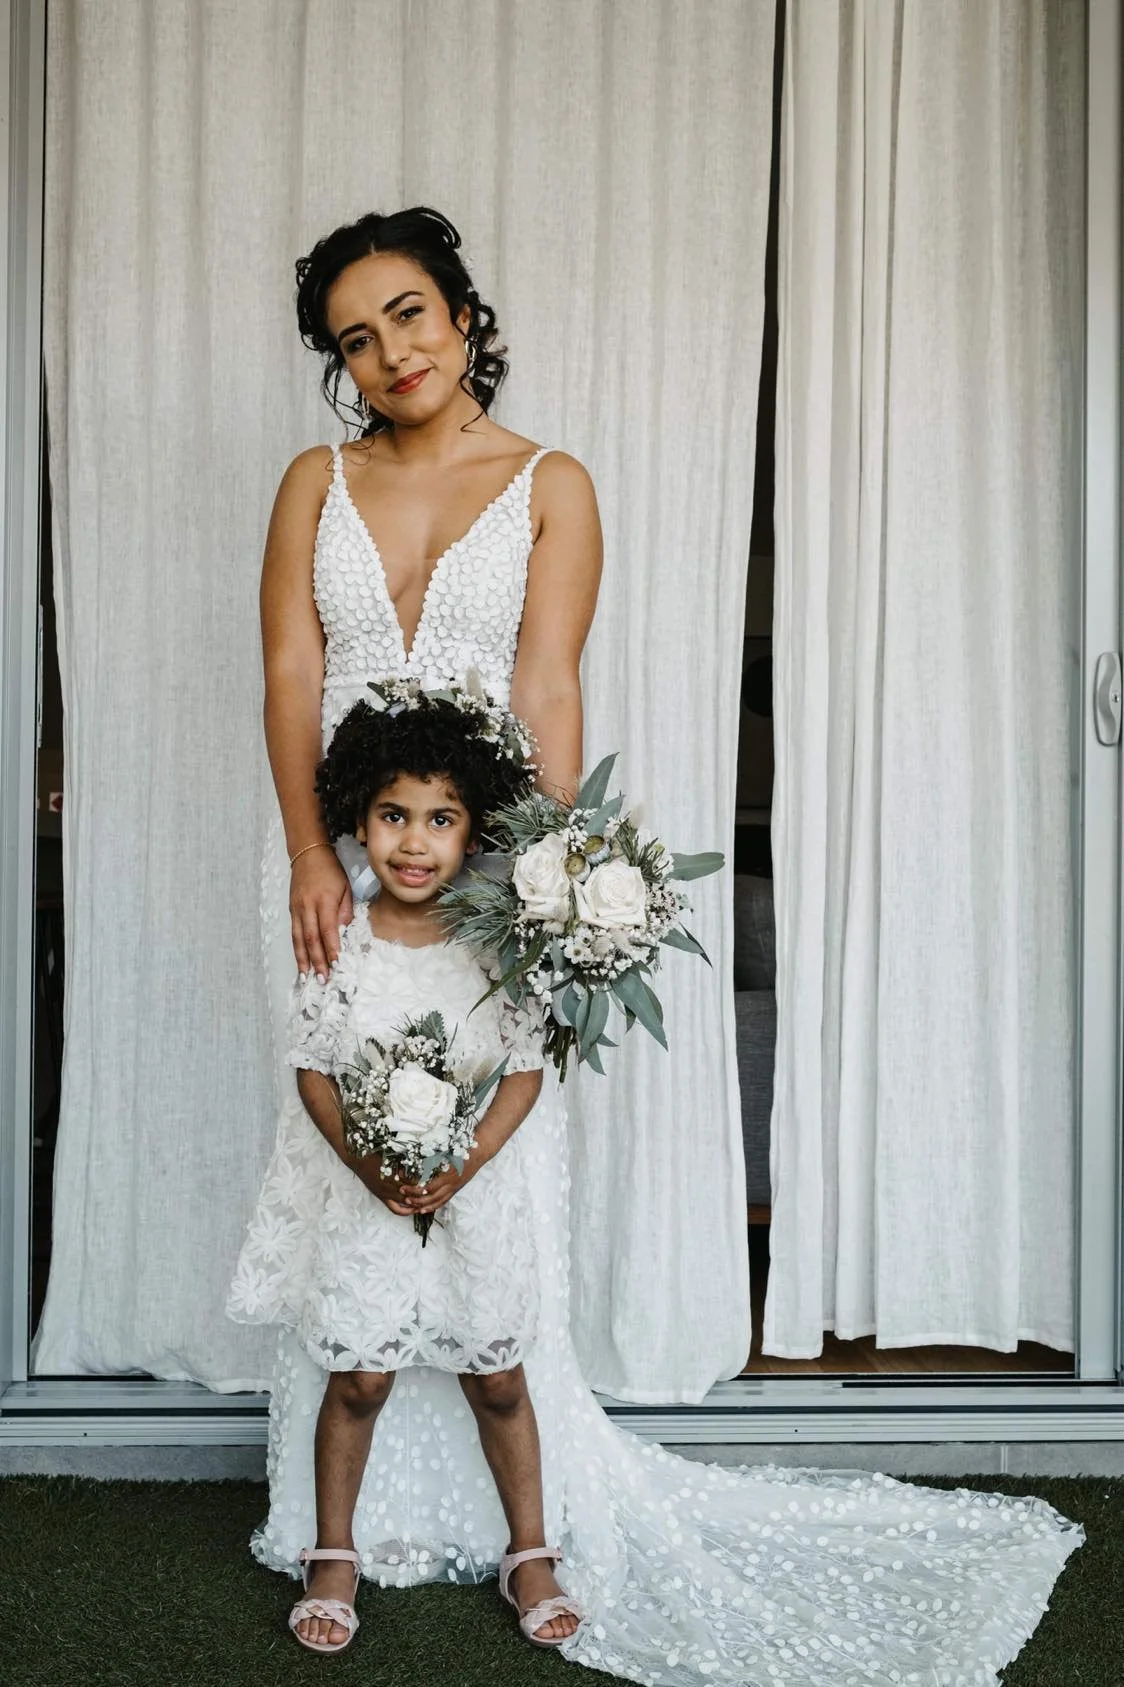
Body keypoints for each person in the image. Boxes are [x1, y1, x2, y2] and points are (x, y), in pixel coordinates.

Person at [235, 205, 1081, 1684]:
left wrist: (550, 895)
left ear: (462, 312)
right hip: (335, 861)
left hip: (487, 858)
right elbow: (293, 665)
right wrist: (315, 849)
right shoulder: (315, 481)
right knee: (346, 1159)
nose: (389, 354)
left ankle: (523, 1510)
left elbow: (549, 690)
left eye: (409, 315)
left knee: (490, 1166)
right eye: (356, 339)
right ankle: (338, 1518)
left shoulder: (552, 482)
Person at [231, 688, 583, 1653]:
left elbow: (521, 1071)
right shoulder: (340, 937)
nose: (415, 842)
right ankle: (333, 1551)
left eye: (440, 818)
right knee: (360, 1378)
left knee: (501, 1378)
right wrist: (372, 1160)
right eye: (394, 816)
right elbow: (313, 1069)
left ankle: (532, 1549)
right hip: (365, 1191)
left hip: (470, 1194)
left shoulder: (494, 943)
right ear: (359, 816)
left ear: (473, 829)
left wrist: (459, 1163)